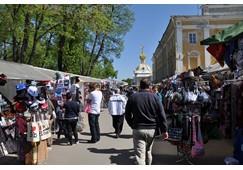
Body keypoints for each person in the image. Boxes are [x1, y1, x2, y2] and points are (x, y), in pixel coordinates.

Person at [125, 78, 168, 165]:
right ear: (149, 86)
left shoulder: (133, 97)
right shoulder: (155, 97)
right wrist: (164, 130)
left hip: (138, 129)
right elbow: (161, 115)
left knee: (140, 155)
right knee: (148, 151)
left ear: (140, 86)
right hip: (151, 129)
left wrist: (132, 125)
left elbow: (127, 114)